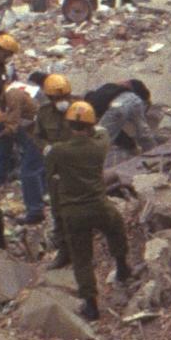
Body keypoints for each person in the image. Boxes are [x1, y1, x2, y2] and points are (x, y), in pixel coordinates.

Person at [43, 100, 134, 320]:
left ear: (69, 125)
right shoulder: (99, 145)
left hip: (73, 211)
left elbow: (51, 175)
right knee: (116, 228)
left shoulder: (58, 151)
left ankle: (91, 305)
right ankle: (122, 266)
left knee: (82, 258)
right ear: (91, 124)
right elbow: (102, 131)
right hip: (99, 204)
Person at [0, 83, 48, 232]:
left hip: (35, 134)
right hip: (32, 131)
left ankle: (35, 211)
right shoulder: (1, 97)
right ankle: (44, 193)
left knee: (28, 171)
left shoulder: (13, 96)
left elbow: (12, 126)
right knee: (37, 167)